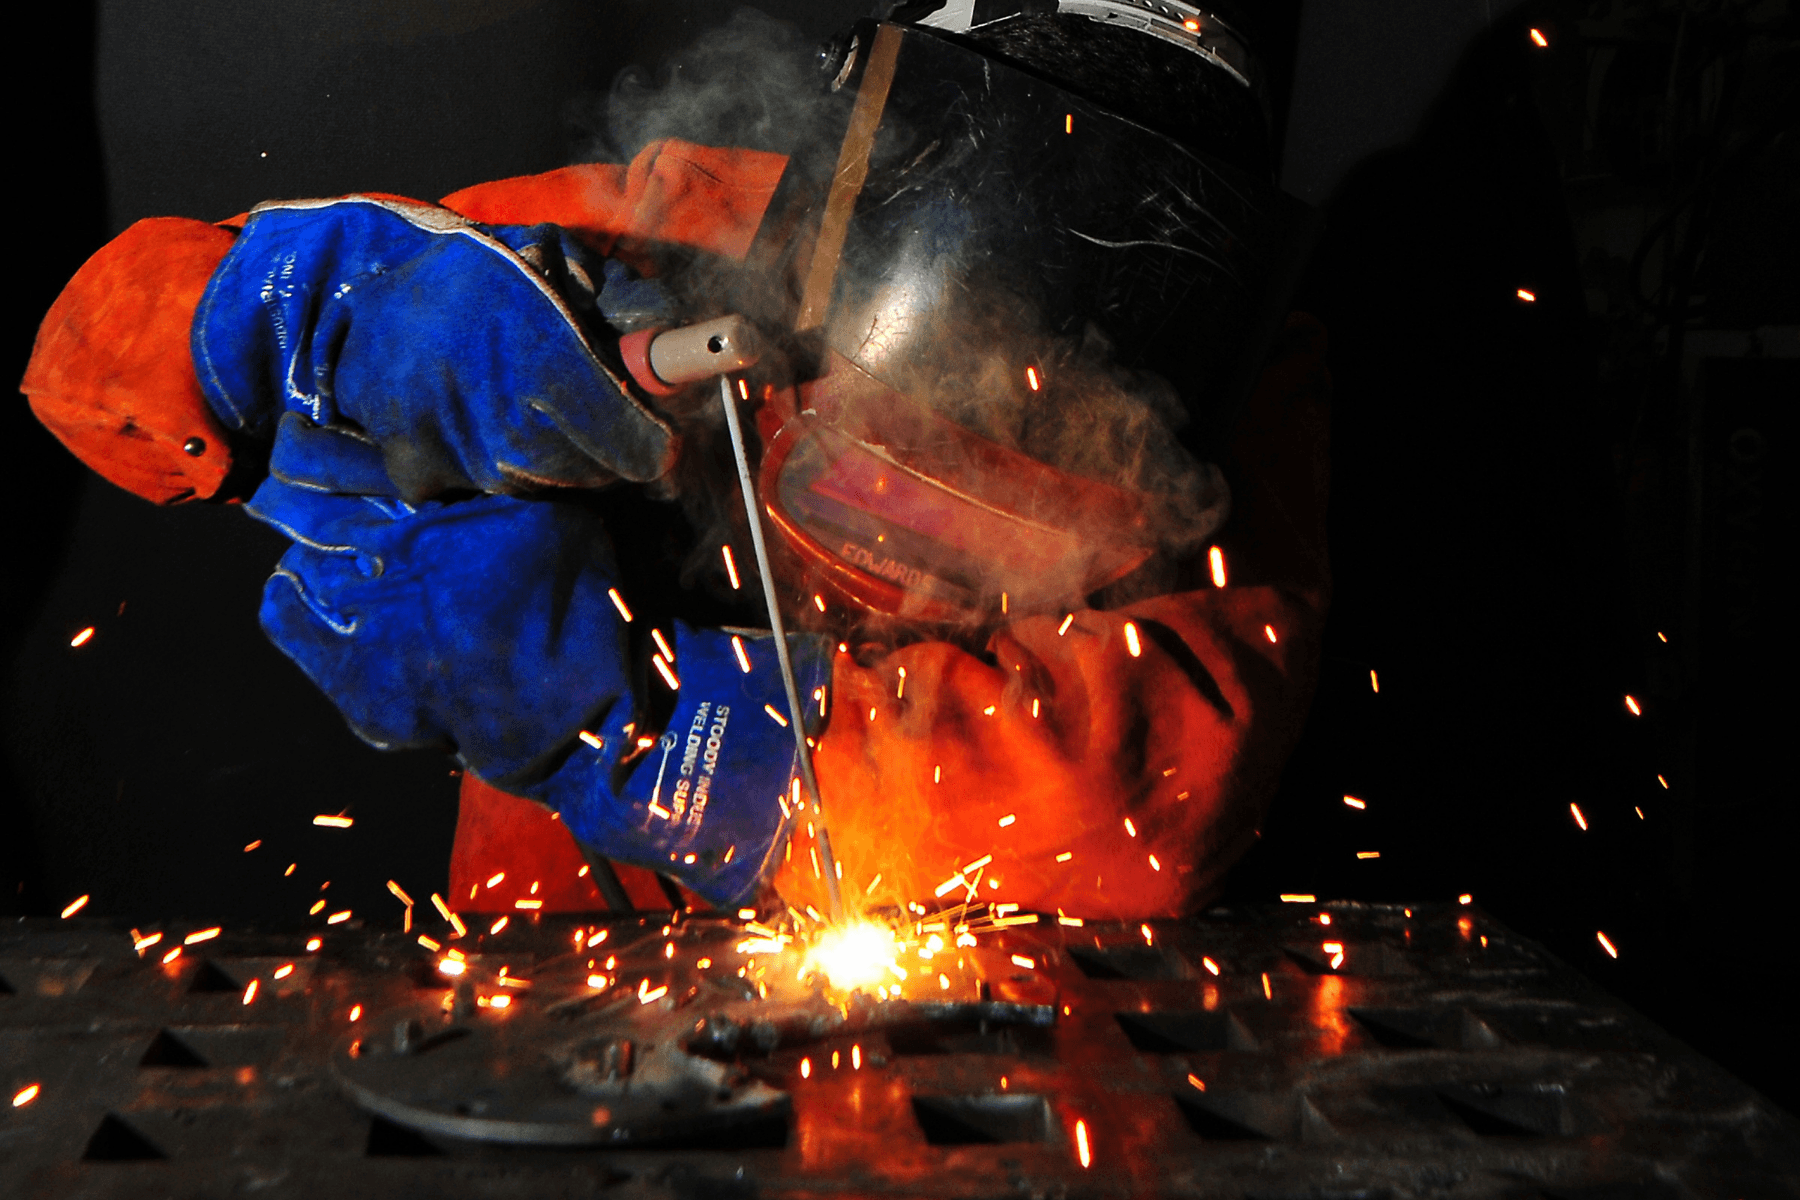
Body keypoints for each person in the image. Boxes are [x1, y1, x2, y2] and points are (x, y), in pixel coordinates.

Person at [19, 13, 1331, 923]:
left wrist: (649, 730)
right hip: (563, 976)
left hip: (983, 1044)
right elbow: (98, 369)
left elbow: (1140, 812)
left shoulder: (1242, 386)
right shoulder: (686, 227)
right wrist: (261, 312)